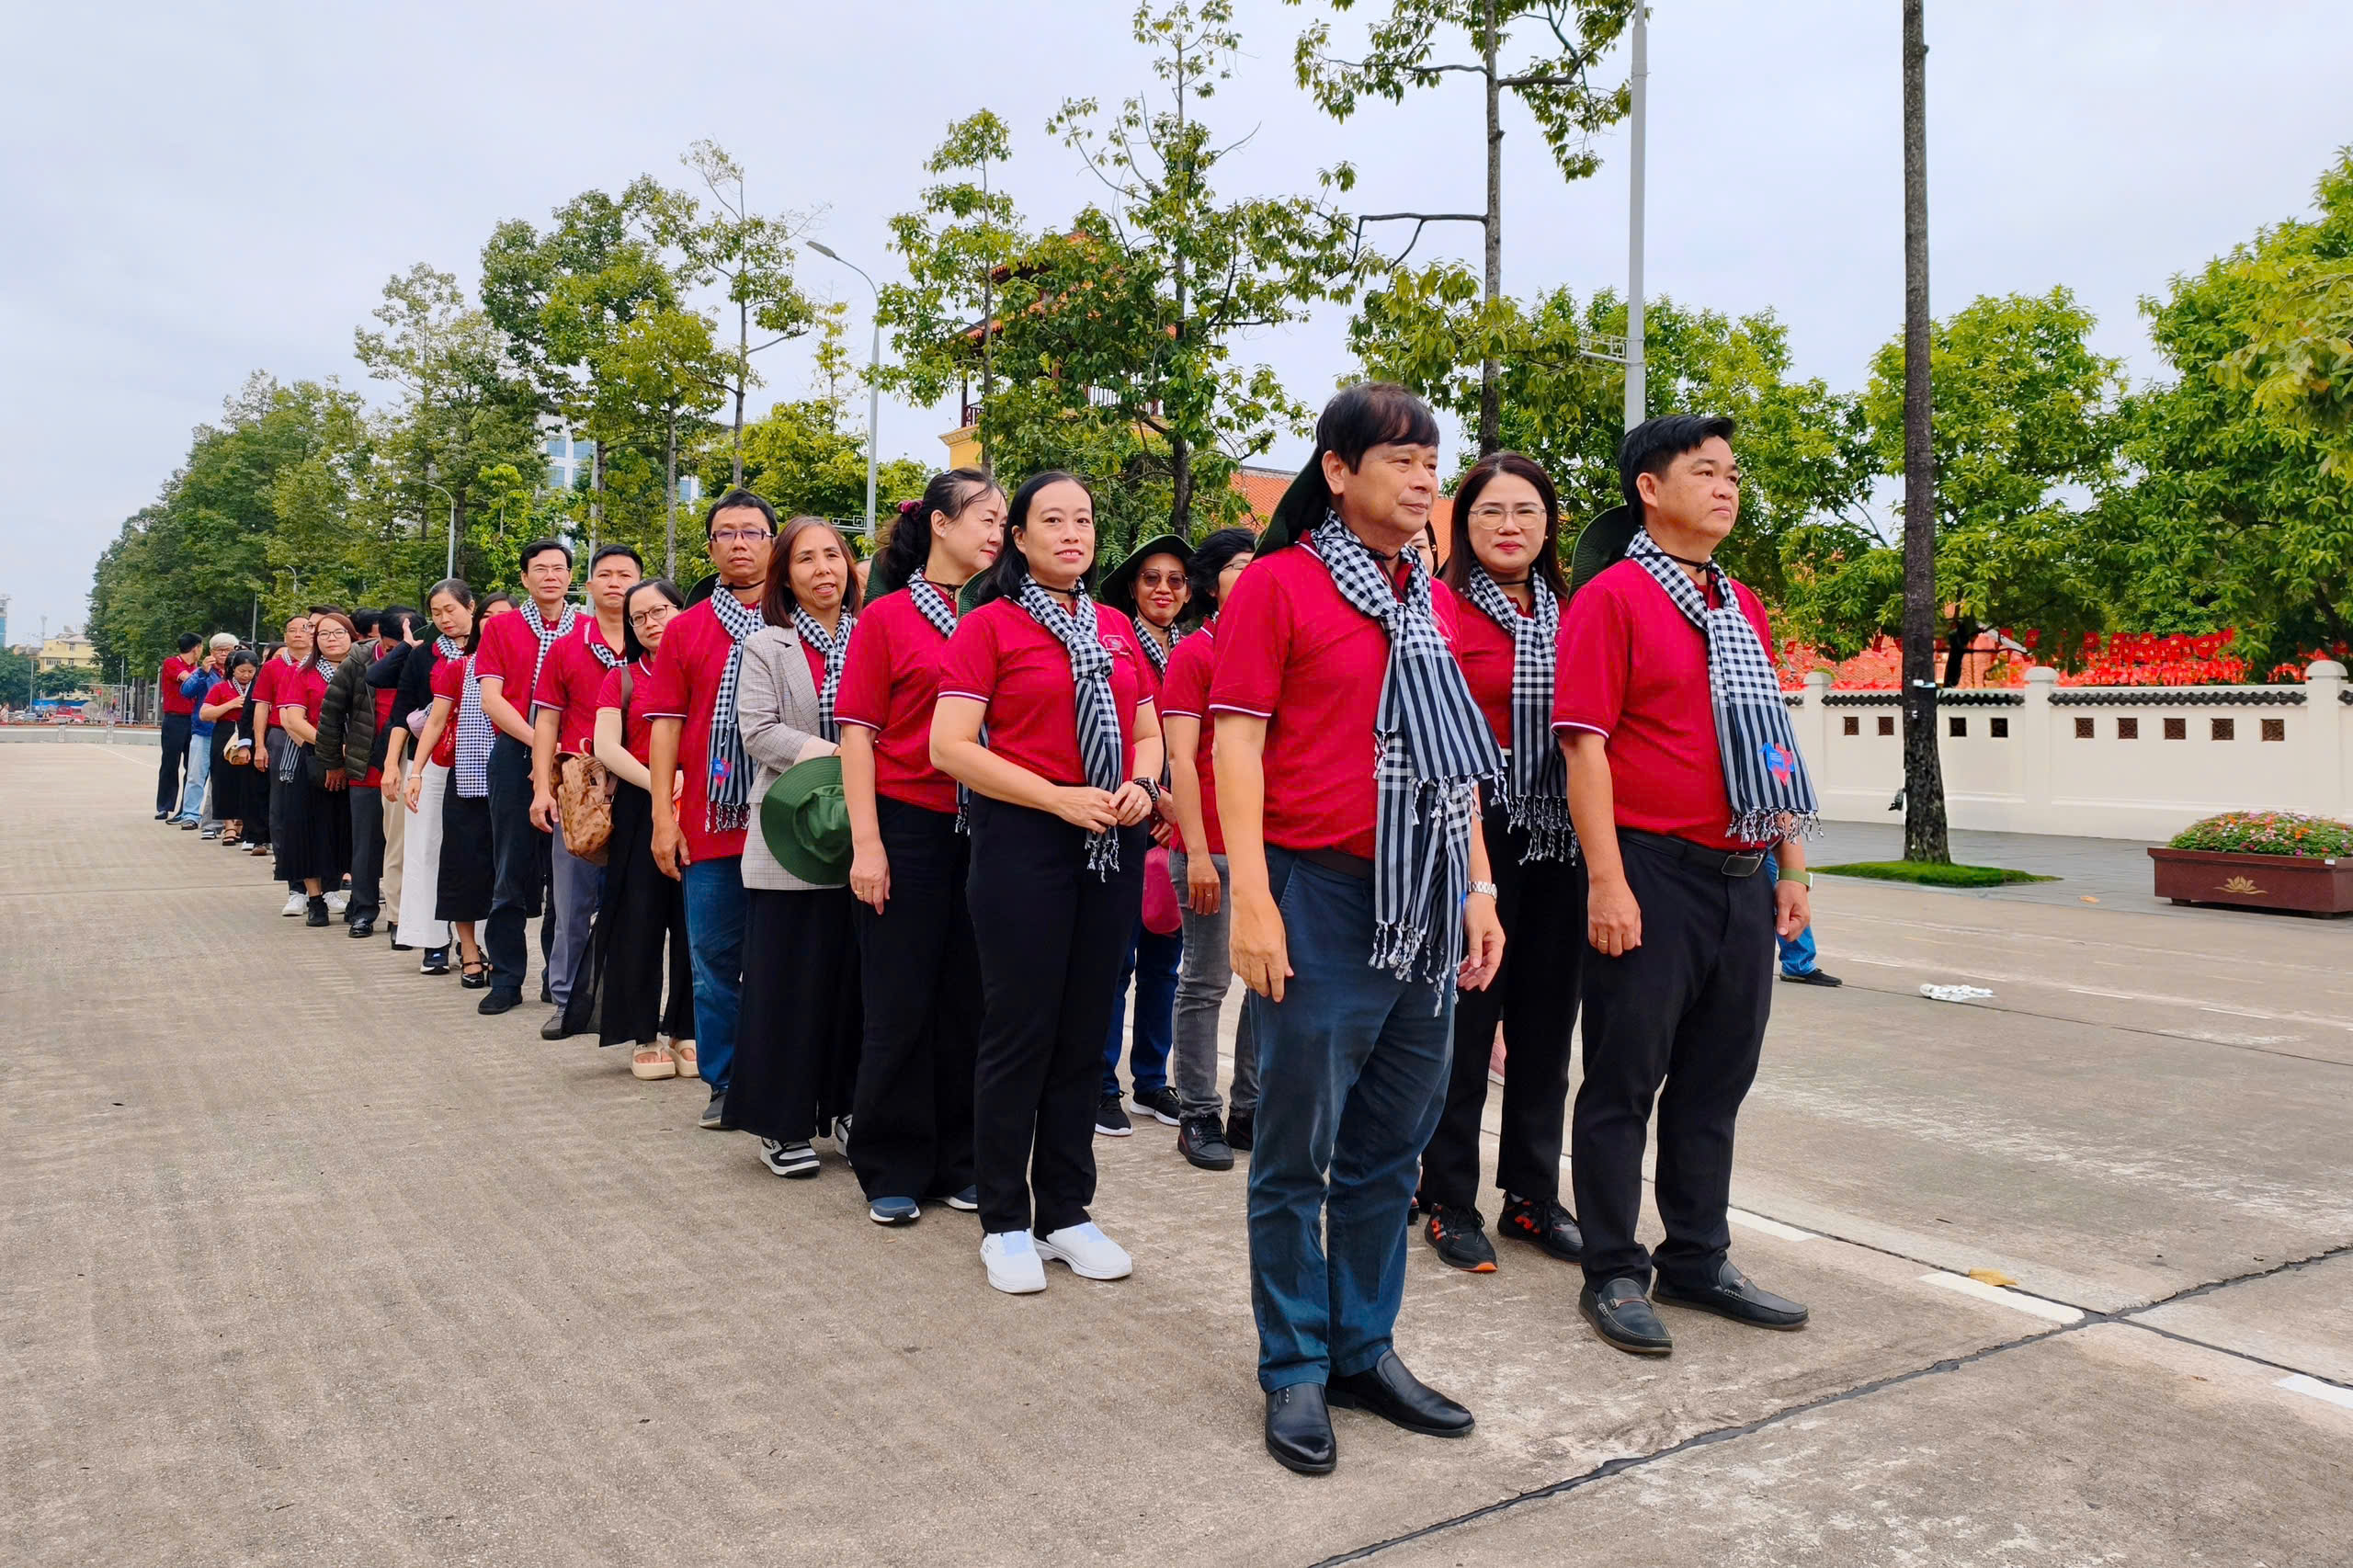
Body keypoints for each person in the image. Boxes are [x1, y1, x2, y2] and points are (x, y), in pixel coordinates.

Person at [1210, 382, 1503, 1475]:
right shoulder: (1280, 587)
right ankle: (1291, 1363)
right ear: (1337, 471)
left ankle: (1361, 1346)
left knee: (1390, 1146)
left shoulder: (1420, 591)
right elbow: (1233, 744)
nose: (1427, 475)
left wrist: (1477, 885)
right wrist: (1252, 898)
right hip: (1319, 894)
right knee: (1296, 1150)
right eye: (1402, 457)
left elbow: (1449, 758)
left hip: (1424, 896)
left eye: (1434, 457)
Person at [1554, 413, 1817, 1358]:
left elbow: (1770, 744)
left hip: (1743, 874)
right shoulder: (1613, 598)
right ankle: (1615, 1269)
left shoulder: (1737, 605)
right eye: (1704, 471)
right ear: (1649, 489)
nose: (1726, 487)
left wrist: (1790, 868)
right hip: (1651, 870)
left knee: (1715, 1080)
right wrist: (1608, 881)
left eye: (1733, 473)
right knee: (1624, 1079)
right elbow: (1583, 747)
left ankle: (1698, 1256)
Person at [933, 472, 1162, 1294]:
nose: (1073, 533)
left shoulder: (1115, 628)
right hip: (1025, 839)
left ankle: (1066, 1210)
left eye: (1085, 520)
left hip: (1109, 844)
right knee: (1020, 1030)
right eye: (1051, 520)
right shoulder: (987, 627)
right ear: (1019, 539)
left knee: (1084, 1030)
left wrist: (1140, 781)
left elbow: (1146, 728)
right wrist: (1054, 796)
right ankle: (1004, 1219)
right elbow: (950, 746)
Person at [1415, 452, 1589, 1274]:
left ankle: (1530, 1197)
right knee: (1466, 1024)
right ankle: (1448, 1198)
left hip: (1562, 836)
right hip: (1469, 829)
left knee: (1548, 1026)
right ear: (1464, 524)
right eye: (1490, 512)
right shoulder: (1440, 609)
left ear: (1549, 525)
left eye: (1526, 511)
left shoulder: (1578, 613)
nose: (1509, 526)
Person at [837, 469, 1003, 1224]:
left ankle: (960, 1159)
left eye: (1004, 518)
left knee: (971, 1000)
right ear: (938, 524)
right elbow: (858, 735)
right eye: (984, 516)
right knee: (900, 999)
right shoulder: (889, 618)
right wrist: (867, 844)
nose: (997, 530)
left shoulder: (1005, 616)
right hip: (907, 825)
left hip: (994, 828)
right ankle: (891, 1160)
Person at [727, 518, 863, 1180]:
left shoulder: (873, 635)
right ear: (785, 575)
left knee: (851, 982)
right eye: (804, 559)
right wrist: (838, 753)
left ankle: (844, 1106)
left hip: (866, 832)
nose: (821, 569)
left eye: (832, 555)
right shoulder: (765, 646)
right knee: (786, 982)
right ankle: (780, 1124)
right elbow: (758, 731)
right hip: (790, 829)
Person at [646, 490, 779, 1130]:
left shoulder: (798, 617)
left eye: (752, 532)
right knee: (715, 962)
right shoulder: (687, 629)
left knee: (790, 960)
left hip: (793, 823)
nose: (739, 544)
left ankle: (790, 1076)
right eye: (725, 534)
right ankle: (725, 1081)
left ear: (772, 543)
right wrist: (662, 820)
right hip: (712, 822)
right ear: (710, 548)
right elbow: (667, 729)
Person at [1154, 526, 1261, 1172]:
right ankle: (1197, 1110)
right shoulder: (1196, 653)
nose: (1253, 576)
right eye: (1240, 566)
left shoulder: (1275, 649)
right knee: (1205, 979)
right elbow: (1182, 761)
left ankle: (1249, 1108)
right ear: (1210, 582)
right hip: (1211, 848)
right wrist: (1195, 850)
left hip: (1269, 848)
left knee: (1269, 984)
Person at [569, 578, 697, 1079]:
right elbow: (606, 746)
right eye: (639, 617)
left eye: (660, 611)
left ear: (681, 611)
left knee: (695, 926)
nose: (650, 623)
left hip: (704, 808)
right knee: (639, 924)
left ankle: (685, 1029)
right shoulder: (620, 679)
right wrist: (664, 787)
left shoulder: (706, 671)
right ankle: (644, 1033)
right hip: (643, 810)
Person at [1090, 533, 1194, 1136]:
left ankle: (1152, 1080)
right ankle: (1103, 1083)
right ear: (1133, 587)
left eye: (1176, 580)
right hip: (1128, 814)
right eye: (1151, 578)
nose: (1163, 589)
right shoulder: (1113, 641)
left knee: (1166, 964)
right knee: (1116, 961)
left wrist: (1186, 812)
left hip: (1184, 829)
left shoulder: (1201, 646)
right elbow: (1119, 728)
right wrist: (1154, 796)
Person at [530, 545, 642, 1040]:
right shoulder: (566, 646)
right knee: (572, 897)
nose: (615, 582)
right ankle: (566, 1001)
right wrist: (541, 787)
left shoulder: (659, 641)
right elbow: (547, 721)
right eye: (606, 575)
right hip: (581, 788)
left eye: (626, 575)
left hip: (642, 784)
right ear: (589, 586)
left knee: (637, 902)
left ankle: (628, 1003)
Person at [413, 591, 516, 987]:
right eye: (490, 616)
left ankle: (506, 954)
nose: (497, 623)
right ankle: (469, 950)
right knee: (463, 868)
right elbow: (435, 723)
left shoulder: (528, 667)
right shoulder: (458, 669)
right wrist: (416, 771)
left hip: (516, 782)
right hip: (467, 782)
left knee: (507, 874)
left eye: (507, 616)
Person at [392, 584, 473, 973]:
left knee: (476, 854)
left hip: (480, 763)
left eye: (451, 609)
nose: (444, 618)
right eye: (437, 612)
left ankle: (476, 943)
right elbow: (402, 711)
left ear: (470, 607)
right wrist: (397, 766)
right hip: (432, 762)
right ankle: (432, 940)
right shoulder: (424, 654)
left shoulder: (494, 648)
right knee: (425, 849)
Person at [275, 612, 358, 926]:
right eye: (323, 634)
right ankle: (314, 900)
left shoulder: (364, 670)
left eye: (338, 633)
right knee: (309, 830)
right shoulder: (302, 673)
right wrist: (333, 748)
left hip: (358, 761)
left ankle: (351, 896)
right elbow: (295, 719)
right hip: (312, 758)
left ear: (351, 635)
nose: (331, 639)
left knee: (348, 830)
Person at [316, 608, 395, 937]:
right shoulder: (359, 660)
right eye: (391, 647)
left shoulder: (424, 659)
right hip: (366, 766)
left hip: (408, 767)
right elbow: (331, 715)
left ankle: (400, 914)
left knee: (403, 848)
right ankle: (363, 910)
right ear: (380, 638)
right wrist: (334, 762)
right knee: (365, 846)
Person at [367, 608, 424, 948]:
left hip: (449, 752)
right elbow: (375, 676)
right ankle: (398, 916)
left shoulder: (455, 651)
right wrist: (406, 647)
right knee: (399, 838)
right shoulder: (407, 657)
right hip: (402, 751)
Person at [248, 619, 313, 873]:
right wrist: (260, 745)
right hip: (281, 735)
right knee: (281, 797)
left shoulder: (322, 664)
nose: (298, 635)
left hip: (318, 734)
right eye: (292, 630)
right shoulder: (273, 667)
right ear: (284, 636)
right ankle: (282, 852)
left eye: (305, 629)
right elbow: (261, 707)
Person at [171, 634, 234, 830]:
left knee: (225, 779)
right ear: (211, 652)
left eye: (228, 649)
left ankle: (224, 818)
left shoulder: (240, 671)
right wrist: (202, 673)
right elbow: (186, 691)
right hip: (204, 731)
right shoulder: (204, 672)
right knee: (196, 775)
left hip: (230, 733)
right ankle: (190, 814)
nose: (223, 653)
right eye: (219, 650)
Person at [200, 651, 259, 845]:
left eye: (251, 671)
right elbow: (205, 714)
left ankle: (243, 823)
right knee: (223, 779)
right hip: (225, 733)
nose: (246, 675)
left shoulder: (258, 688)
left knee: (247, 781)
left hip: (250, 735)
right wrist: (230, 704)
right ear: (233, 669)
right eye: (242, 671)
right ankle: (228, 825)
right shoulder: (220, 688)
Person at [156, 633, 201, 821]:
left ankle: (186, 807)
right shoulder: (172, 663)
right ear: (196, 648)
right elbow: (187, 679)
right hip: (174, 720)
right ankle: (164, 805)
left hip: (194, 720)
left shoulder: (197, 668)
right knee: (170, 763)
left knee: (192, 767)